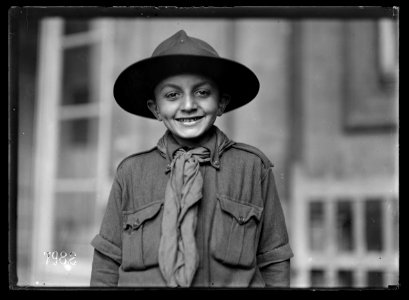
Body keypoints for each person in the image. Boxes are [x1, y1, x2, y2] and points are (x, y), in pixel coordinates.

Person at [90, 29, 293, 288]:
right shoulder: (131, 173)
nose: (188, 105)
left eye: (202, 93)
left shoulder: (253, 168)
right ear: (156, 109)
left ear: (221, 103)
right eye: (172, 95)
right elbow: (107, 263)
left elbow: (274, 260)